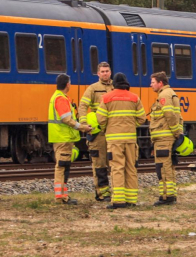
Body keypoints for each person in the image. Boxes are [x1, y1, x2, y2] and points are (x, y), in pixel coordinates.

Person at [96, 72, 146, 209]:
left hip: (114, 140)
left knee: (117, 168)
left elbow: (100, 118)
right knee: (131, 168)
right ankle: (131, 200)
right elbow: (142, 118)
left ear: (114, 84)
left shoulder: (106, 98)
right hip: (130, 139)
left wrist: (107, 127)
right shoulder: (134, 98)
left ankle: (118, 201)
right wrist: (130, 125)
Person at [48, 74, 92, 205]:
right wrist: (82, 127)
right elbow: (66, 119)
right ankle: (61, 198)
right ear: (68, 84)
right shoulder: (61, 99)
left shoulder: (57, 97)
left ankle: (63, 196)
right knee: (62, 167)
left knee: (64, 166)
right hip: (64, 138)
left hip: (61, 137)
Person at [78, 62, 114, 201]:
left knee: (114, 164)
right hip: (98, 132)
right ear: (98, 74)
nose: (105, 73)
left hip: (112, 130)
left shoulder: (115, 88)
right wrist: (84, 123)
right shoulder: (93, 89)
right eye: (102, 71)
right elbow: (83, 106)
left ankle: (113, 192)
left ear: (110, 72)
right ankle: (102, 194)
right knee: (99, 164)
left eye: (107, 71)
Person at [148, 71, 184, 206]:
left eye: (152, 82)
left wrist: (176, 132)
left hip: (164, 138)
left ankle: (167, 197)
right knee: (167, 166)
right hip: (165, 137)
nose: (150, 85)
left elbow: (169, 114)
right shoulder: (169, 94)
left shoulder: (164, 95)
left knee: (163, 167)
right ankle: (170, 195)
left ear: (160, 83)